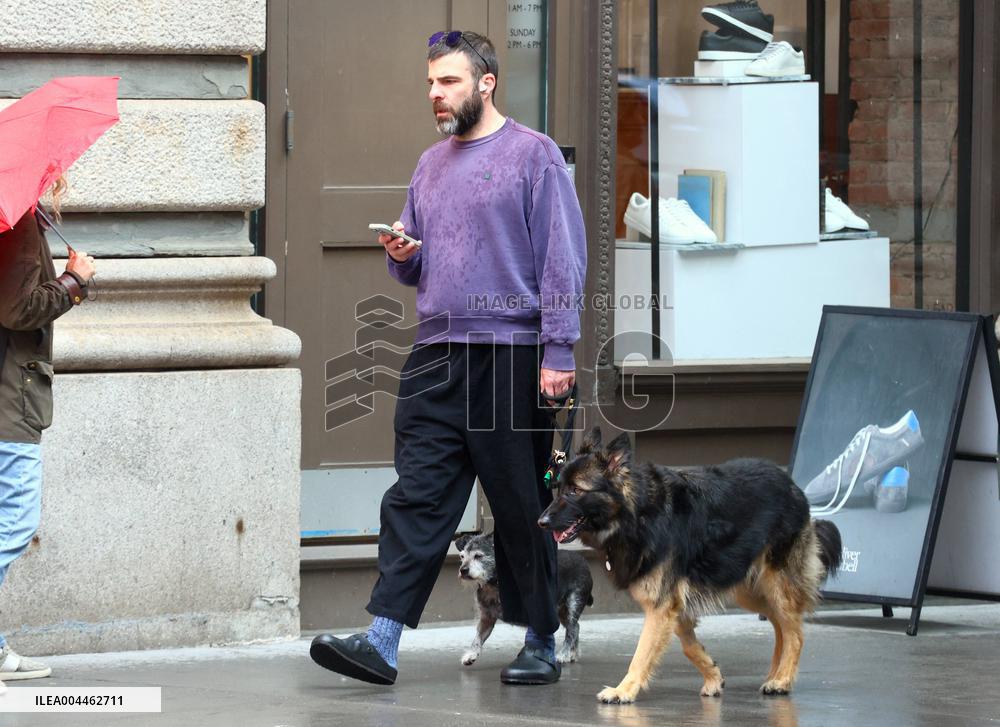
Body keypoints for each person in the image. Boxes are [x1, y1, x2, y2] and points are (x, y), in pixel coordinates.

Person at [309, 31, 586, 686]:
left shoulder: (533, 156)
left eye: (449, 81)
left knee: (520, 504)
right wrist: (405, 255)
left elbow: (561, 259)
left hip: (510, 354)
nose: (436, 93)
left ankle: (541, 636)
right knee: (416, 497)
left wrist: (558, 348)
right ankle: (382, 642)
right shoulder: (429, 165)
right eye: (431, 82)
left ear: (485, 83)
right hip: (436, 354)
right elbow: (417, 263)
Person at [0, 184, 96, 693]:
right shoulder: (14, 221)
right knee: (14, 524)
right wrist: (73, 281)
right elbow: (17, 311)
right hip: (10, 398)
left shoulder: (17, 217)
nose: (61, 177)